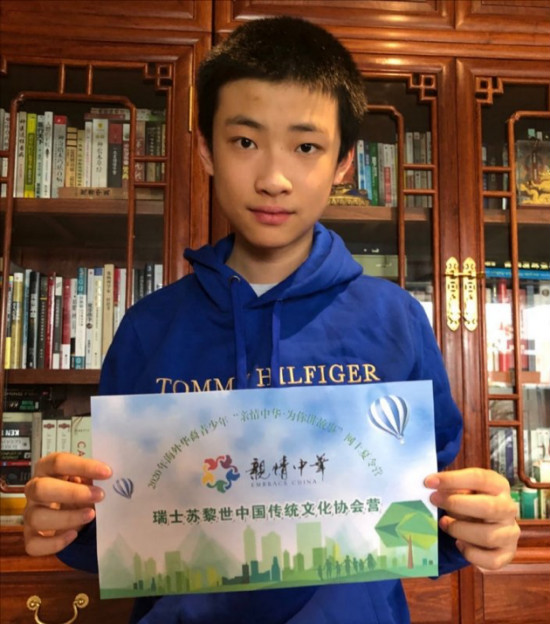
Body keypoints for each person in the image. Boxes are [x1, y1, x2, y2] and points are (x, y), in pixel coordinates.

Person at [23, 15, 520, 624]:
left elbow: (428, 508)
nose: (274, 179)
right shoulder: (148, 328)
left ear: (344, 163)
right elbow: (118, 522)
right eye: (245, 141)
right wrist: (62, 521)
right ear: (205, 148)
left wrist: (478, 526)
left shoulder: (395, 319)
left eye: (306, 146)